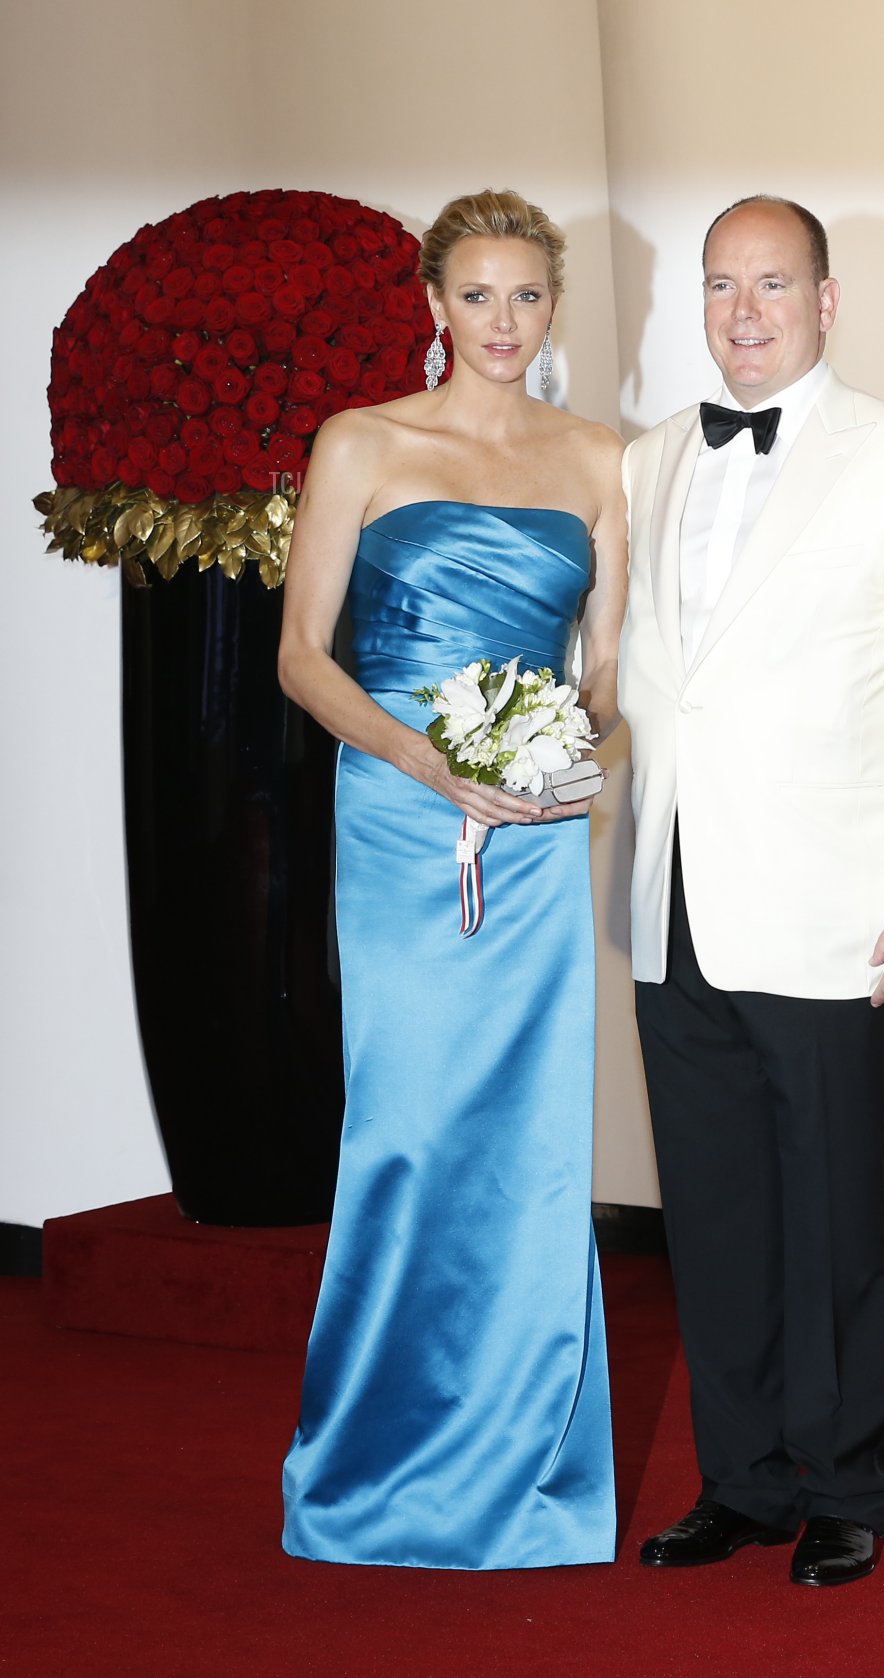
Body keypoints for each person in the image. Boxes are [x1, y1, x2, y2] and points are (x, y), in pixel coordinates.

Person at [619, 195, 884, 1587]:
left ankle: (850, 1479)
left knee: (835, 1209)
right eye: (722, 285)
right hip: (675, 897)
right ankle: (744, 1480)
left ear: (827, 302)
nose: (744, 310)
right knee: (712, 1215)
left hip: (840, 907)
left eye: (773, 283)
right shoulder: (654, 458)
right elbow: (647, 670)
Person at [278, 189, 625, 1570]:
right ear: (432, 305)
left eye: (527, 298)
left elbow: (606, 666)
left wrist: (569, 743)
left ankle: (531, 1475)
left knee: (534, 1147)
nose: (502, 323)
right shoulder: (362, 442)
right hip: (402, 817)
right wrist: (433, 764)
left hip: (535, 834)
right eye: (476, 297)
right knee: (410, 1126)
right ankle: (372, 1461)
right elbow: (306, 657)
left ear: (554, 307)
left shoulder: (599, 456)